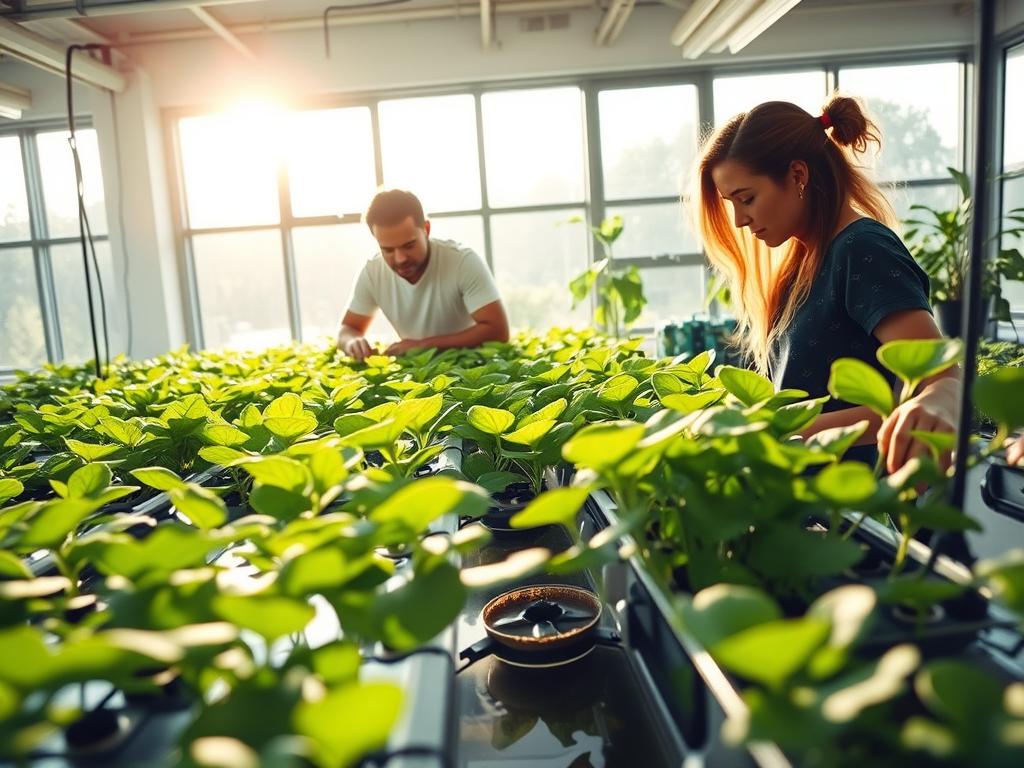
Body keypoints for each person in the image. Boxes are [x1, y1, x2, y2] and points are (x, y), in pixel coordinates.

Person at [694, 94, 959, 470]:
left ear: (798, 175)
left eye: (747, 198)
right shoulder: (803, 260)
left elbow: (940, 382)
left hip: (858, 510)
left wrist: (781, 435)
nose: (739, 220)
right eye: (730, 203)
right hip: (808, 501)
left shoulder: (861, 249)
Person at [336, 189, 510, 360]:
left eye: (409, 245)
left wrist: (420, 345)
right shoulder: (372, 272)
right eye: (387, 249)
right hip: (415, 370)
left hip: (473, 363)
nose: (400, 259)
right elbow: (347, 328)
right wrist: (352, 342)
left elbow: (498, 330)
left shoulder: (462, 261)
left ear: (426, 229)